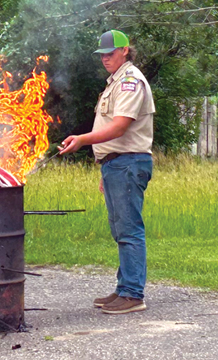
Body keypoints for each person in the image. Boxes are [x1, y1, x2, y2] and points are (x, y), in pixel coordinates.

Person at [59, 30, 155, 315]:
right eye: (101, 54)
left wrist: (82, 140)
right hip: (116, 164)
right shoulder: (114, 83)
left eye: (110, 53)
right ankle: (124, 288)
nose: (105, 58)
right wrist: (104, 169)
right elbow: (112, 134)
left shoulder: (130, 81)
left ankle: (133, 294)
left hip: (128, 162)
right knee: (120, 229)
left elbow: (120, 126)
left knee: (129, 230)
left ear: (125, 50)